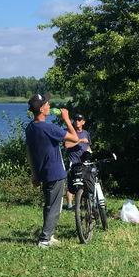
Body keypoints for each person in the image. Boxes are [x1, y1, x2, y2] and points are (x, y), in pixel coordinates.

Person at [25, 93, 88, 247]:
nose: (49, 106)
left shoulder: (30, 128)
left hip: (43, 173)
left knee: (49, 204)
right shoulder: (49, 128)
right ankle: (45, 239)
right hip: (55, 172)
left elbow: (29, 152)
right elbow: (74, 138)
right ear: (41, 109)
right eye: (46, 104)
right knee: (54, 207)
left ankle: (49, 234)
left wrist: (34, 173)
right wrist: (67, 119)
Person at [64, 113, 91, 210]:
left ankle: (84, 203)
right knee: (72, 182)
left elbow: (88, 145)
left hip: (84, 161)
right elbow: (67, 145)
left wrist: (90, 153)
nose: (77, 121)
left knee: (85, 182)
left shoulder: (86, 133)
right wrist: (79, 141)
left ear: (83, 122)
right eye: (75, 120)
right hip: (73, 161)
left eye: (79, 120)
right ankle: (70, 205)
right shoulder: (70, 132)